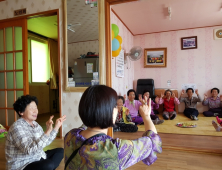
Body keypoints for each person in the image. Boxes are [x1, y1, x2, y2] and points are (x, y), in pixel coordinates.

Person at [64, 85, 162, 170]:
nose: (117, 109)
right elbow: (153, 141)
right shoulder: (116, 150)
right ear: (108, 111)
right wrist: (146, 117)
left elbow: (88, 122)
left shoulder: (70, 136)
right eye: (115, 106)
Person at [5, 95, 66, 170]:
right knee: (48, 165)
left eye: (36, 107)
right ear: (21, 112)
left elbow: (45, 142)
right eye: (31, 108)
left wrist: (56, 127)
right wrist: (47, 132)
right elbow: (29, 150)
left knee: (60, 151)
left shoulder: (35, 124)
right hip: (23, 164)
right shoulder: (17, 127)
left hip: (37, 157)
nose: (35, 111)